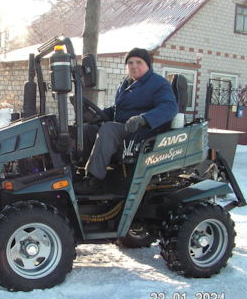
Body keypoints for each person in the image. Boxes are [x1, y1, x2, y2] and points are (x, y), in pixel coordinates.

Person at [74, 48, 178, 195]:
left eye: (138, 62)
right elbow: (117, 109)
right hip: (123, 130)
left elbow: (170, 107)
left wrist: (144, 118)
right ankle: (79, 172)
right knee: (87, 130)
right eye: (130, 62)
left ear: (147, 65)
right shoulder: (126, 83)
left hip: (141, 132)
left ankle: (94, 180)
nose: (134, 66)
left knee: (109, 129)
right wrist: (97, 114)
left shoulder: (158, 83)